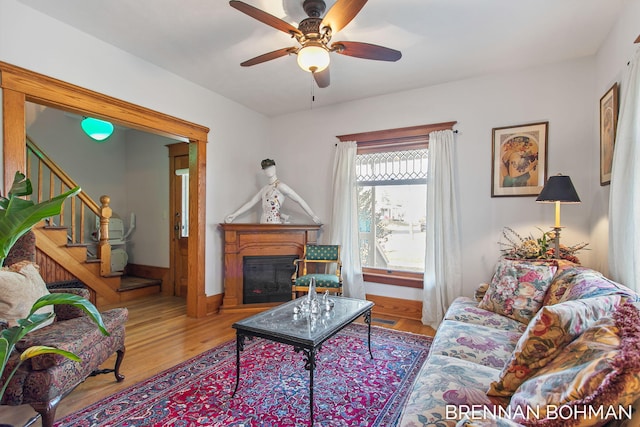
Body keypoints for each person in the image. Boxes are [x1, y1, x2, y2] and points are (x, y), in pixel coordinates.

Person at [224, 159, 321, 224]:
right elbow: (251, 203)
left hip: (275, 223)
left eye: (270, 167)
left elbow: (299, 199)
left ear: (275, 168)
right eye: (265, 169)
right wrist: (234, 215)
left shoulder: (281, 186)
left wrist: (312, 215)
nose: (268, 170)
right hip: (262, 223)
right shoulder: (264, 189)